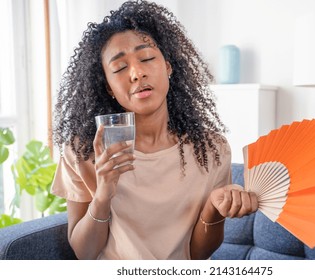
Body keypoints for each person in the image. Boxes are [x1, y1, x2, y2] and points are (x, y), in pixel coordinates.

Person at [51, 0, 258, 260]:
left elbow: (198, 254)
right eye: (120, 68)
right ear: (108, 88)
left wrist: (214, 207)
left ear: (168, 66)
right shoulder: (83, 151)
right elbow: (85, 252)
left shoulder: (211, 150)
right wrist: (103, 193)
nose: (137, 73)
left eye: (147, 58)